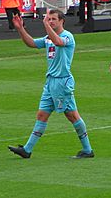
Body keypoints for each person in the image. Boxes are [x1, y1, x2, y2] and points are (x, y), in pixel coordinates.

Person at [8, 9, 94, 159]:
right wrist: (20, 29)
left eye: (54, 19)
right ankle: (27, 150)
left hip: (62, 82)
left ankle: (87, 150)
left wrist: (45, 25)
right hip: (50, 83)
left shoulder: (67, 36)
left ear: (62, 21)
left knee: (72, 115)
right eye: (49, 19)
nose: (51, 21)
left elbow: (58, 42)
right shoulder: (48, 38)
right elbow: (32, 43)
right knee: (41, 115)